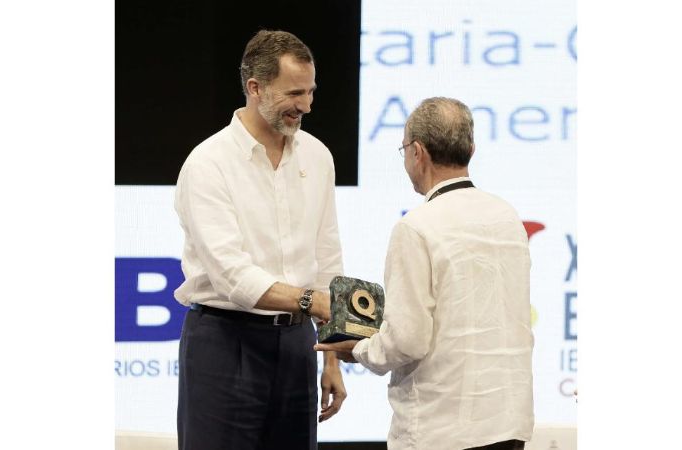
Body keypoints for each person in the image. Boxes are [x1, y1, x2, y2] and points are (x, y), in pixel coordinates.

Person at [316, 97, 534, 450]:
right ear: (472, 149)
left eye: (403, 149)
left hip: (442, 428)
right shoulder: (506, 217)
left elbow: (407, 340)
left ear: (417, 152)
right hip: (508, 422)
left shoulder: (416, 227)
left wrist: (357, 349)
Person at [173, 29, 346, 450]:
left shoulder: (318, 156)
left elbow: (328, 260)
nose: (306, 105)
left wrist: (332, 355)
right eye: (294, 93)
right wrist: (312, 302)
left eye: (310, 91)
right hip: (223, 342)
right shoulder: (207, 164)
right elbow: (233, 276)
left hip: (297, 347)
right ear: (255, 87)